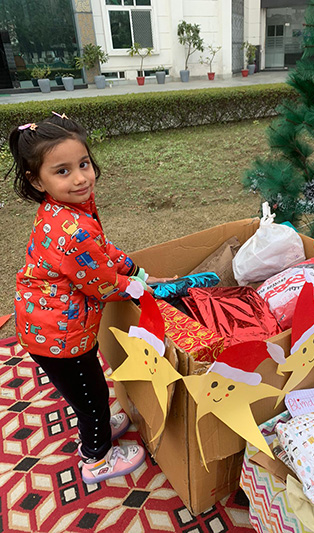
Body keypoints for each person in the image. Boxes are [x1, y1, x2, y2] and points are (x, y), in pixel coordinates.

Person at [6, 113, 171, 484]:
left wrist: (137, 272)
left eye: (83, 164)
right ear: (37, 180)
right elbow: (100, 283)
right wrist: (138, 287)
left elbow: (103, 250)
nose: (81, 178)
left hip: (52, 325)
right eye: (63, 171)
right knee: (92, 398)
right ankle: (96, 458)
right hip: (60, 336)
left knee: (89, 388)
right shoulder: (74, 230)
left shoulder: (66, 209)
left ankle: (96, 423)